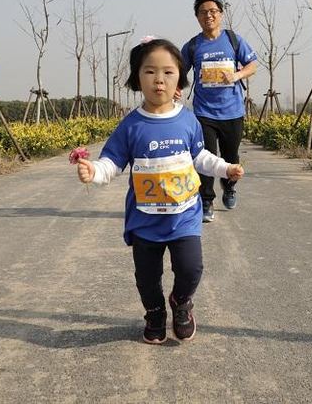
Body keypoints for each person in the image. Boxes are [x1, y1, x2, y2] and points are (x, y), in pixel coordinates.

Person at [76, 37, 244, 344]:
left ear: (180, 76)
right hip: (145, 222)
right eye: (150, 72)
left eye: (168, 72)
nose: (159, 80)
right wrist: (94, 171)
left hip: (184, 217)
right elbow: (111, 161)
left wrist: (225, 168)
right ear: (137, 78)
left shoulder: (188, 120)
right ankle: (154, 315)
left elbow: (200, 157)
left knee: (191, 269)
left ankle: (181, 304)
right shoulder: (131, 126)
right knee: (147, 279)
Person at [181, 0, 258, 223]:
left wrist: (237, 75)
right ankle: (206, 200)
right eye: (203, 12)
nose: (209, 15)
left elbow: (253, 64)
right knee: (205, 156)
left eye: (213, 11)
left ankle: (230, 187)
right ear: (197, 18)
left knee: (230, 156)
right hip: (204, 113)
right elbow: (179, 71)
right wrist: (175, 88)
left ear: (221, 14)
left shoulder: (233, 40)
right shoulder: (193, 46)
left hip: (233, 111)